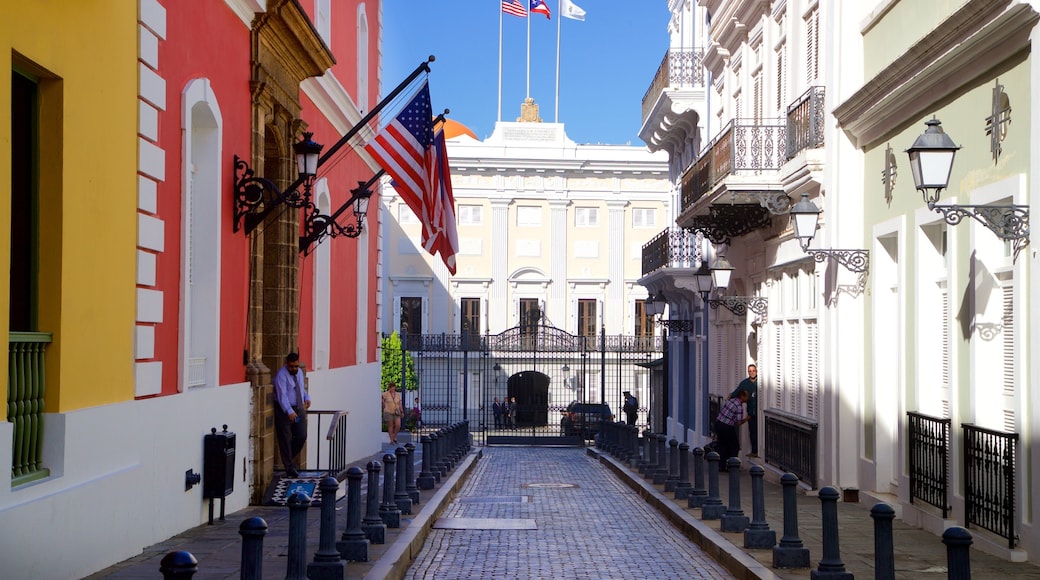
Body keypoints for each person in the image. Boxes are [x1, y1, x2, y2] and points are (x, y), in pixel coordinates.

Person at [273, 353, 311, 478]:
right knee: (285, 438)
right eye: (291, 367)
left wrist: (307, 397)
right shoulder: (281, 376)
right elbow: (281, 396)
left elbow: (301, 387)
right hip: (284, 411)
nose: (294, 369)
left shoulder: (299, 372)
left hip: (299, 408)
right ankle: (289, 468)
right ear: (287, 364)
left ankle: (288, 459)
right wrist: (289, 411)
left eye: (296, 366)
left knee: (301, 435)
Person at [714, 389, 749, 471]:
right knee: (735, 446)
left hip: (718, 424)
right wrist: (747, 419)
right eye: (747, 396)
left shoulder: (731, 400)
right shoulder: (739, 406)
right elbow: (739, 422)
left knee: (723, 445)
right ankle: (732, 466)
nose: (748, 398)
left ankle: (721, 466)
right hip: (727, 427)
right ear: (742, 396)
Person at [731, 363, 759, 458]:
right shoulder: (745, 383)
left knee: (759, 432)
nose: (752, 373)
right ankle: (754, 451)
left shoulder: (759, 382)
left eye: (753, 371)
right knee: (753, 432)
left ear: (756, 371)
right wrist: (730, 397)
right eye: (750, 371)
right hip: (751, 412)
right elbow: (736, 392)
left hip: (759, 412)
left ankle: (759, 450)